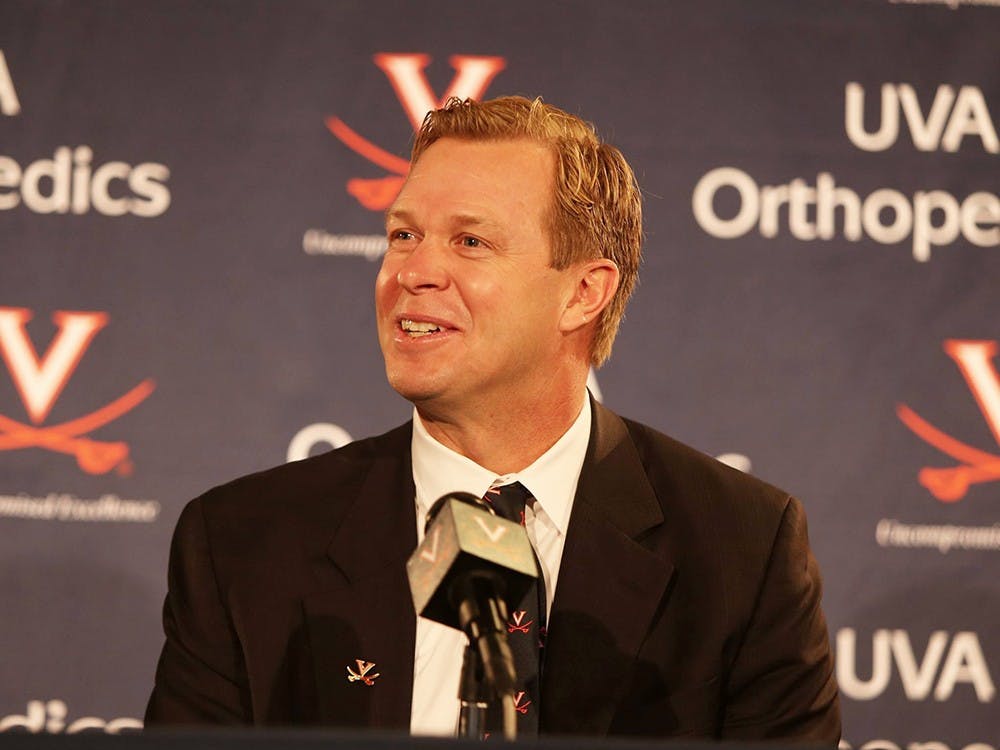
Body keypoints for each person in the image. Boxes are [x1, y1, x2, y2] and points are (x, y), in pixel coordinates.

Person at [145, 96, 840, 740]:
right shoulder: (242, 544)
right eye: (402, 235)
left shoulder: (740, 552)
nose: (412, 272)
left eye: (469, 242)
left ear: (582, 293)